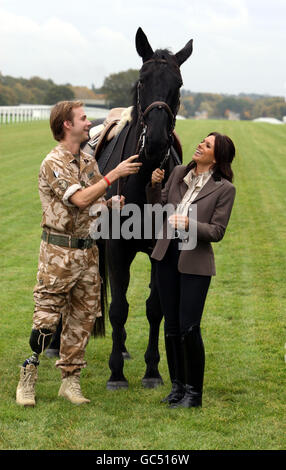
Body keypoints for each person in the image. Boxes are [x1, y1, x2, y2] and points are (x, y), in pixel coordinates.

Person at [16, 100, 141, 406]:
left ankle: (70, 383)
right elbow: (82, 199)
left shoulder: (87, 159)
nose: (89, 123)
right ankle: (27, 378)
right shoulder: (54, 161)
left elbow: (95, 202)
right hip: (59, 254)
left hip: (88, 254)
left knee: (82, 320)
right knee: (46, 319)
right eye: (83, 119)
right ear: (67, 125)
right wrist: (115, 175)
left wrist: (110, 203)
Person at [146, 132, 236, 408]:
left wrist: (188, 225)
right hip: (166, 255)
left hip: (195, 262)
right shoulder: (177, 174)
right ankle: (177, 388)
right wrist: (153, 185)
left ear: (217, 156)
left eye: (207, 145)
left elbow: (217, 231)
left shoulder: (224, 189)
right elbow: (158, 207)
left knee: (189, 327)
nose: (200, 145)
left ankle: (193, 394)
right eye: (202, 141)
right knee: (171, 326)